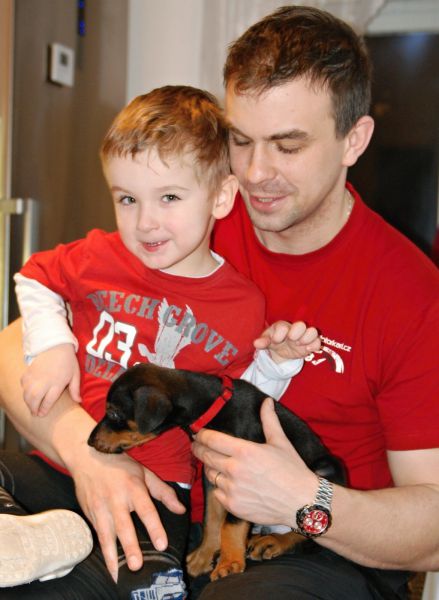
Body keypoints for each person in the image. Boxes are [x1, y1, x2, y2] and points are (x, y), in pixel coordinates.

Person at [0, 85, 319, 598]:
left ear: (221, 197)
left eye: (169, 197)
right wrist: (54, 344)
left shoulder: (242, 304)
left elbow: (235, 405)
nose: (145, 222)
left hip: (159, 489)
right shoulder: (98, 255)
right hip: (61, 466)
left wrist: (277, 365)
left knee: (148, 582)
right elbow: (34, 277)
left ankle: (54, 556)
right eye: (127, 199)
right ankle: (38, 543)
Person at [189, 5, 439, 600]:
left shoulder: (412, 294)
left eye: (288, 145)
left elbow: (435, 529)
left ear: (354, 140)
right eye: (240, 140)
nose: (255, 172)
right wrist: (87, 457)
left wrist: (305, 499)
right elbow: (20, 343)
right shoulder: (198, 219)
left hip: (325, 552)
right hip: (184, 520)